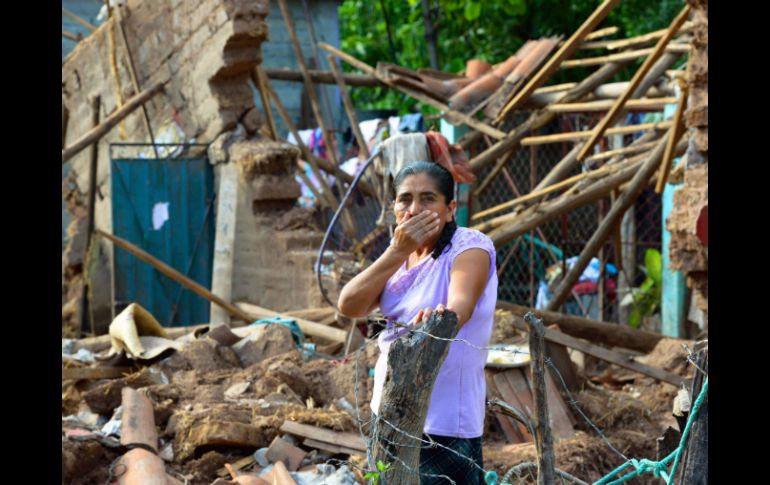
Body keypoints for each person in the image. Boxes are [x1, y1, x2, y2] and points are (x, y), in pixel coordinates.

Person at [338, 161, 498, 484]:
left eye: (427, 199)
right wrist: (397, 251)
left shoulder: (470, 247)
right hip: (390, 415)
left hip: (444, 425)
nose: (414, 209)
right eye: (405, 200)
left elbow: (459, 307)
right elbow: (349, 304)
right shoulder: (399, 258)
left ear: (450, 208)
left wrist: (440, 320)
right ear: (393, 208)